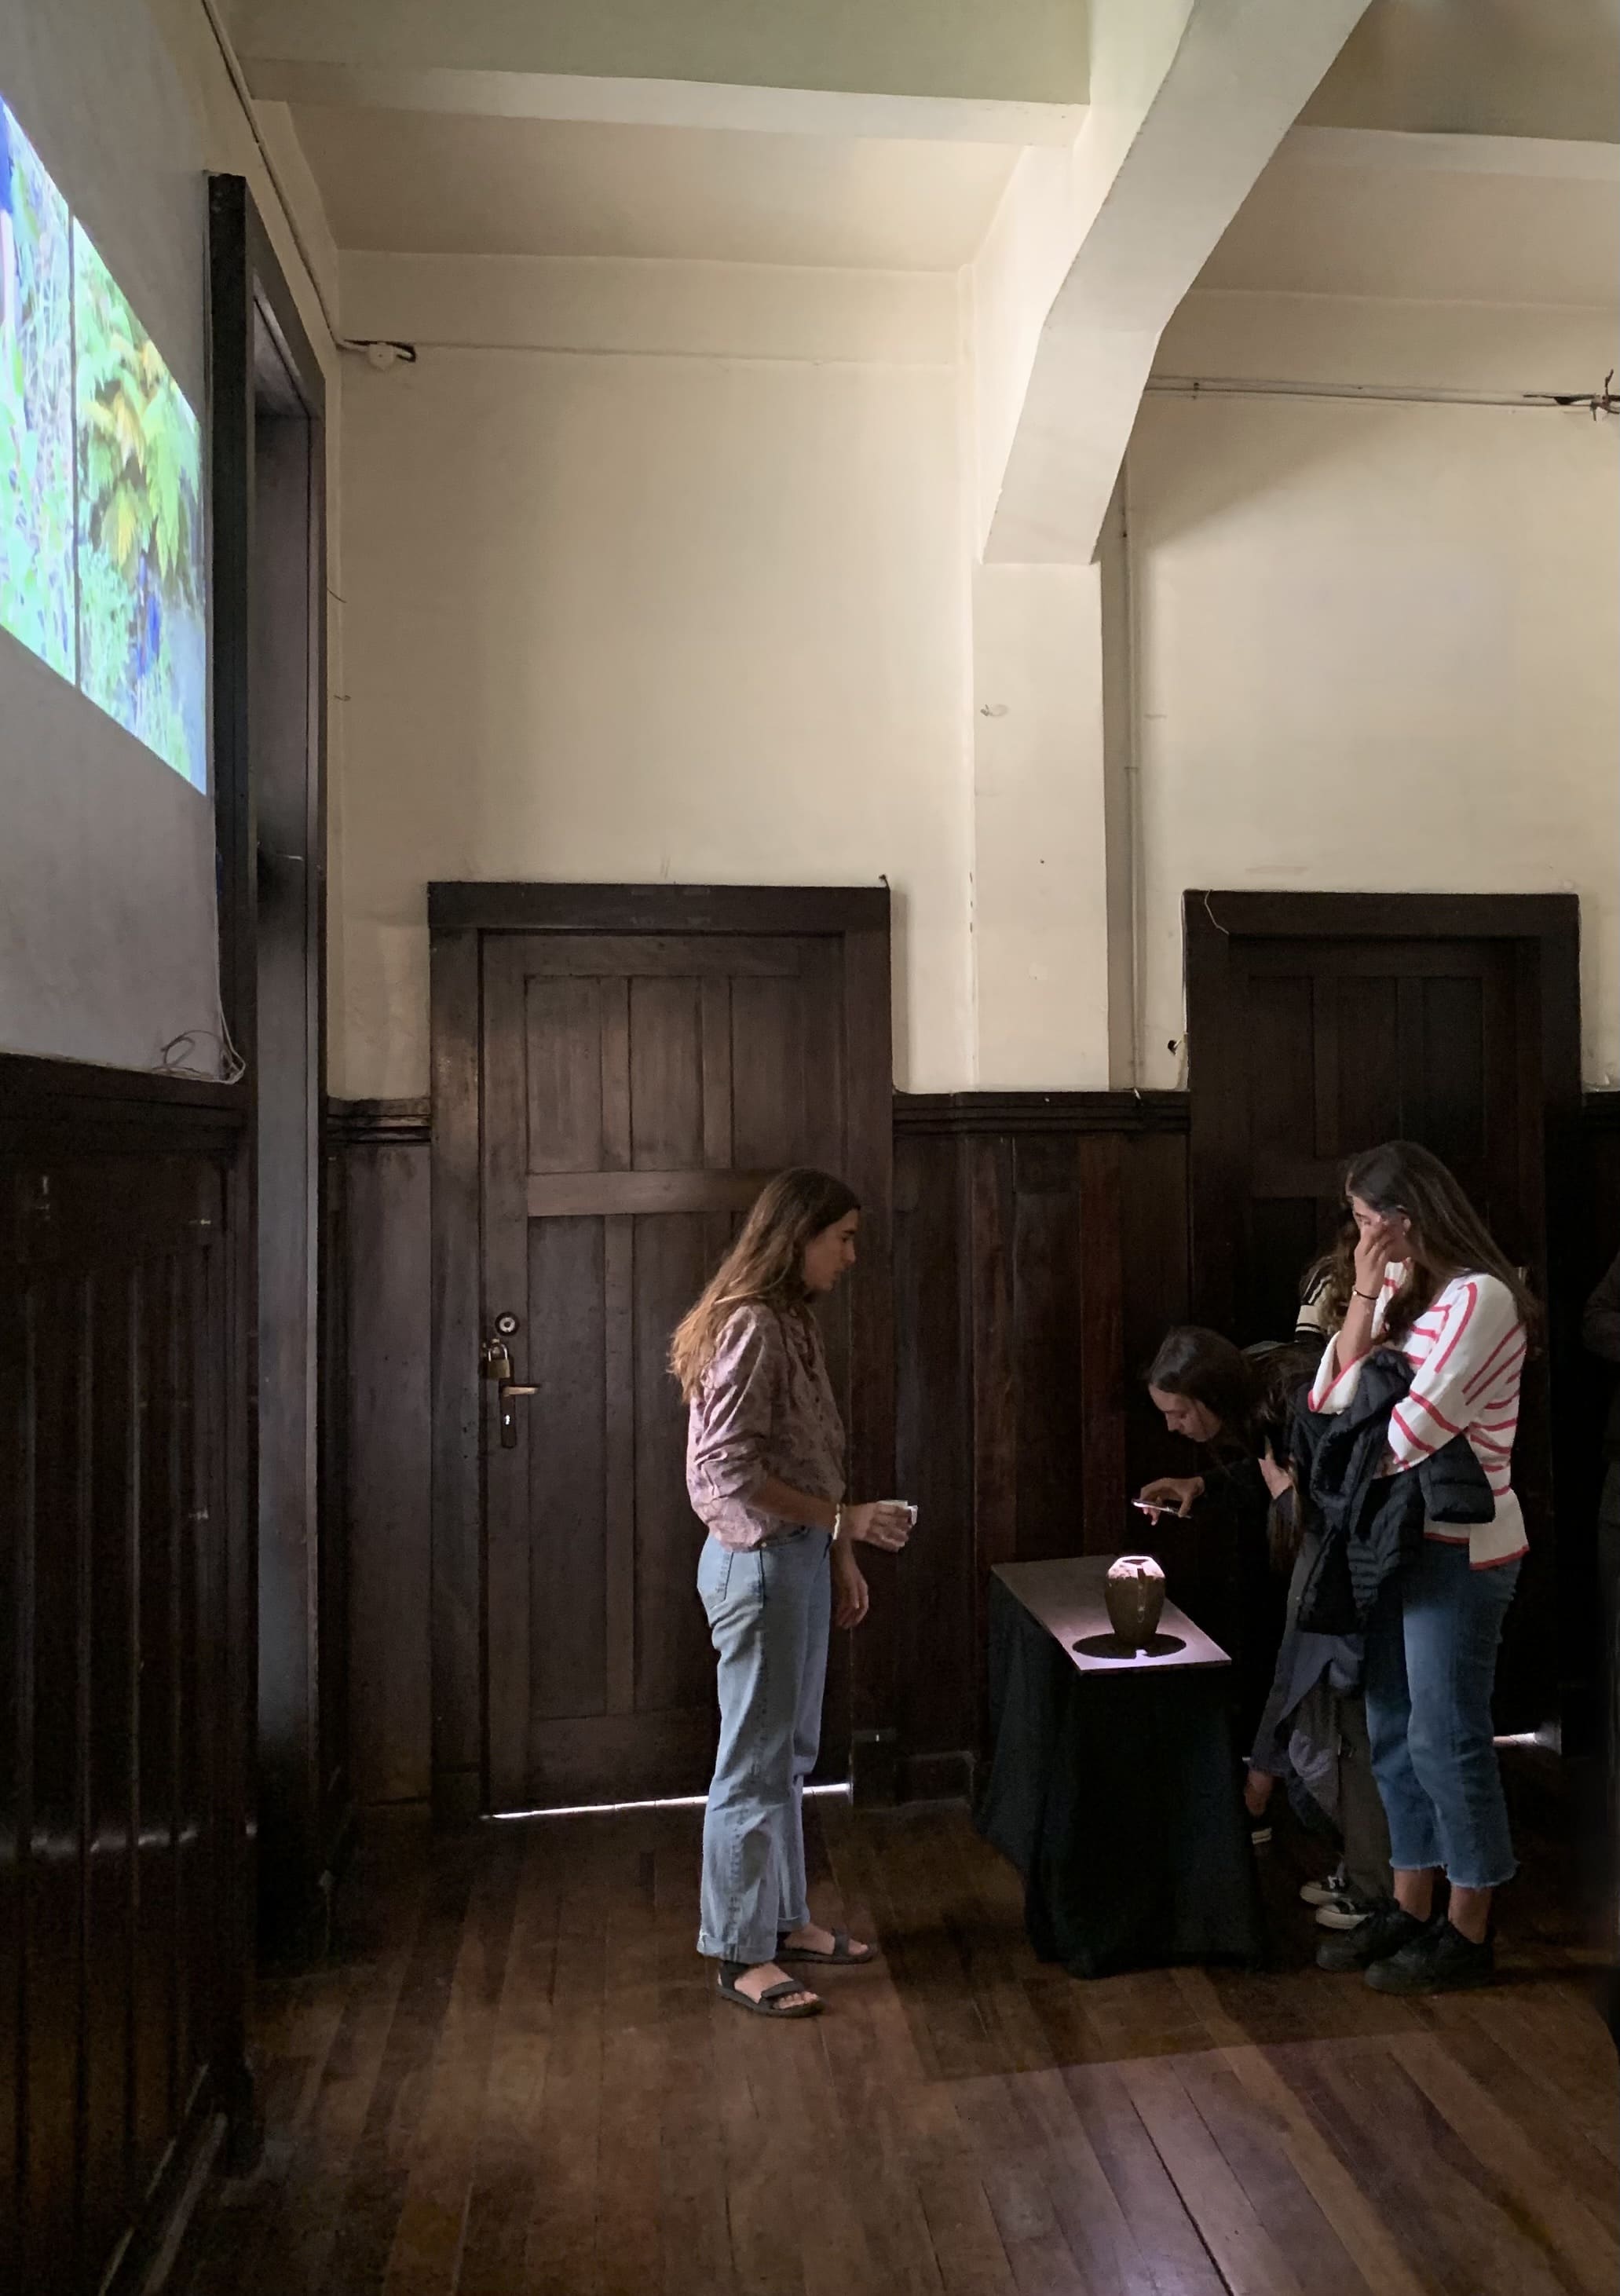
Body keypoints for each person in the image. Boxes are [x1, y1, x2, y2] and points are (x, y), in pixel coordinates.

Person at [671, 1167, 912, 2020]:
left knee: (789, 1753)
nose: (850, 1255)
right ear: (797, 1236)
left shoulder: (789, 1320)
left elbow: (809, 1458)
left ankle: (780, 1921)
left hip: (797, 1557)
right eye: (841, 1238)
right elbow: (726, 1470)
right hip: (760, 1564)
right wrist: (844, 1520)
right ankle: (739, 1952)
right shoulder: (750, 1326)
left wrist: (839, 1550)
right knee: (753, 1761)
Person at [1304, 1141, 1536, 1994]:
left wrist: (1343, 1451)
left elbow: (1412, 1432)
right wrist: (1365, 1294)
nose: (1360, 1235)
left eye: (1368, 1220)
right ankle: (1410, 1902)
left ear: (1408, 1215)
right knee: (1393, 1727)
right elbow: (1328, 1396)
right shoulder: (1405, 1287)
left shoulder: (1482, 1295)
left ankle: (1468, 1924)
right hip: (1392, 1540)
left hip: (1461, 1547)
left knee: (1447, 1735)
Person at [1139, 1327, 1294, 1764]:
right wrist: (1202, 1484)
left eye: (1180, 1413)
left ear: (1212, 1396)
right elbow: (1261, 1472)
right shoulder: (1249, 1410)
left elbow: (1283, 1479)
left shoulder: (1283, 1404)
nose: (1172, 1426)